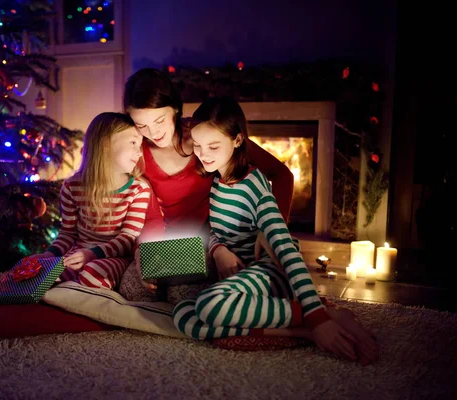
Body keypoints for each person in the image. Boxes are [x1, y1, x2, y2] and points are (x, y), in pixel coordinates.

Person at [172, 97, 378, 365]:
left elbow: (287, 252)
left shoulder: (255, 186)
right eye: (198, 145)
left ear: (237, 140)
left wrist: (317, 318)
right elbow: (216, 230)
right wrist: (216, 248)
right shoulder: (217, 182)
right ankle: (302, 332)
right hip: (244, 275)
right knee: (182, 314)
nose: (203, 153)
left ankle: (320, 313)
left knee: (210, 305)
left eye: (213, 146)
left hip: (269, 272)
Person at [119, 68, 295, 301]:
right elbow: (143, 210)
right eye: (142, 126)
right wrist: (142, 252)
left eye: (159, 120)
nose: (153, 132)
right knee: (132, 290)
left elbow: (282, 175)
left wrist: (271, 232)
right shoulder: (138, 153)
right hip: (161, 243)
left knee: (182, 296)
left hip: (207, 242)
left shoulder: (206, 134)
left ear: (175, 109)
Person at [27, 112, 152, 290]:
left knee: (91, 276)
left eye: (140, 145)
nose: (139, 152)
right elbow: (68, 233)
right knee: (43, 275)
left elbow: (127, 239)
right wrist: (50, 254)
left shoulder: (138, 190)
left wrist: (91, 254)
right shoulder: (72, 186)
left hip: (111, 258)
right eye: (133, 143)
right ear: (105, 144)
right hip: (77, 254)